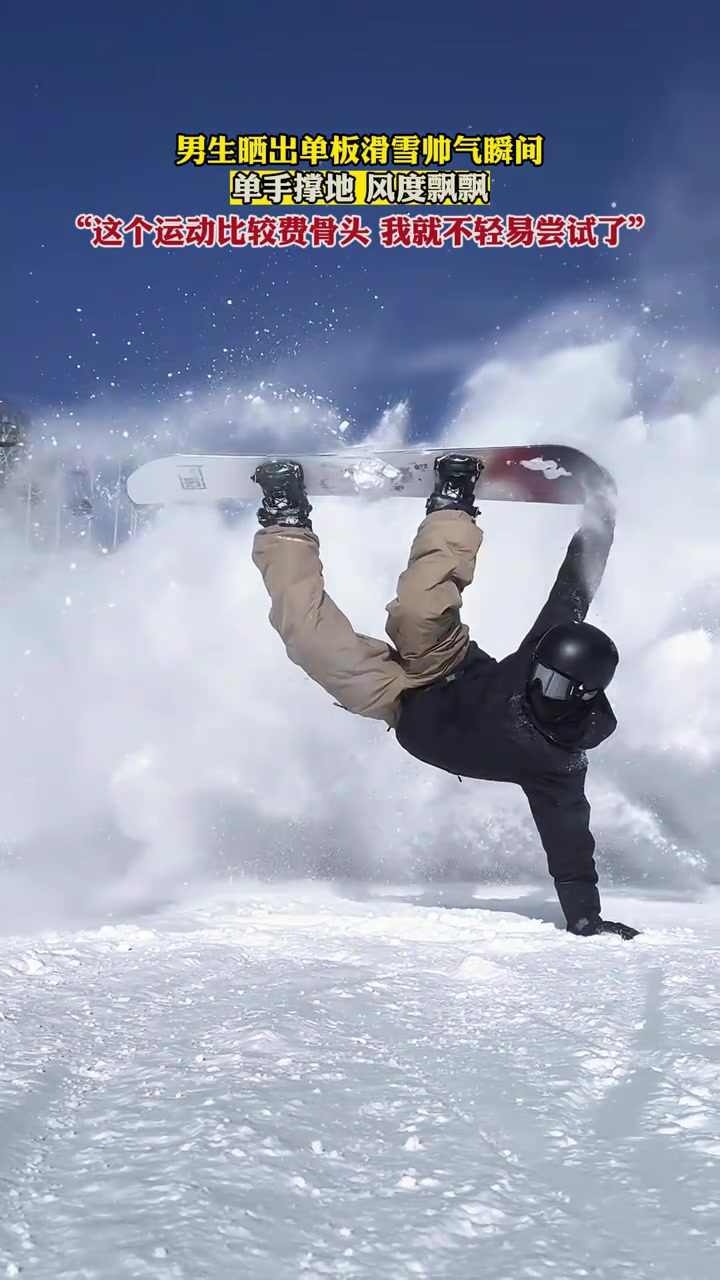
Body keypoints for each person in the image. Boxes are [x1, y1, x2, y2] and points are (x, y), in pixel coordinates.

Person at [251, 454, 639, 940]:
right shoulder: (541, 657)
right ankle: (452, 507)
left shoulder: (557, 764)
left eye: (555, 686)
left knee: (310, 644)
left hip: (398, 704)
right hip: (446, 663)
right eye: (540, 672)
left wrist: (585, 917)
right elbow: (575, 587)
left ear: (581, 696)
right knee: (419, 610)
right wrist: (601, 516)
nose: (537, 684)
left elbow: (570, 846)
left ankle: (285, 526)